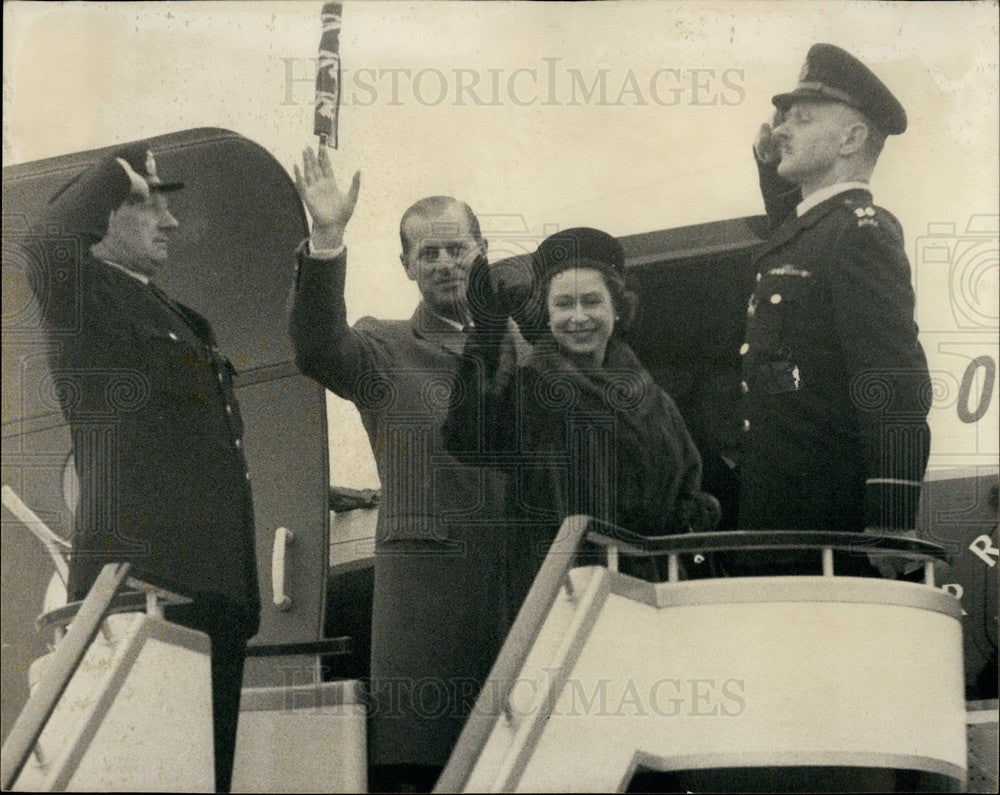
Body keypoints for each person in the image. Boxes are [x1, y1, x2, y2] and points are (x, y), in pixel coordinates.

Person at [289, 146, 527, 793]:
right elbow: (317, 346)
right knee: (429, 774)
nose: (447, 263)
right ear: (407, 266)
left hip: (527, 595)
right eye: (430, 253)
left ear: (482, 249)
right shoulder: (384, 346)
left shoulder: (528, 347)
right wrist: (327, 238)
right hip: (432, 613)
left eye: (458, 248)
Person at [29, 144, 260, 792]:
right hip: (138, 583)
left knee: (200, 779)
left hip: (212, 589)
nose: (171, 220)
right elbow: (45, 238)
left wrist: (238, 591)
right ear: (101, 215)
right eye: (145, 200)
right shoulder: (83, 298)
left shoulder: (179, 318)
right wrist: (115, 168)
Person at [735, 43, 932, 577]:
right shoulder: (820, 231)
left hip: (830, 536)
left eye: (802, 118)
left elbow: (893, 377)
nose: (780, 128)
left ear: (850, 138)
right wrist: (772, 168)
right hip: (781, 528)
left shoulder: (859, 235)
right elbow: (793, 240)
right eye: (783, 119)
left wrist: (891, 519)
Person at [445, 227, 721, 584]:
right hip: (567, 587)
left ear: (617, 309)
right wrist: (486, 334)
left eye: (591, 301)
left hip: (653, 585)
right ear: (546, 313)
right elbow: (467, 441)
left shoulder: (653, 397)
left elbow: (687, 489)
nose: (578, 317)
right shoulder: (532, 392)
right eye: (563, 304)